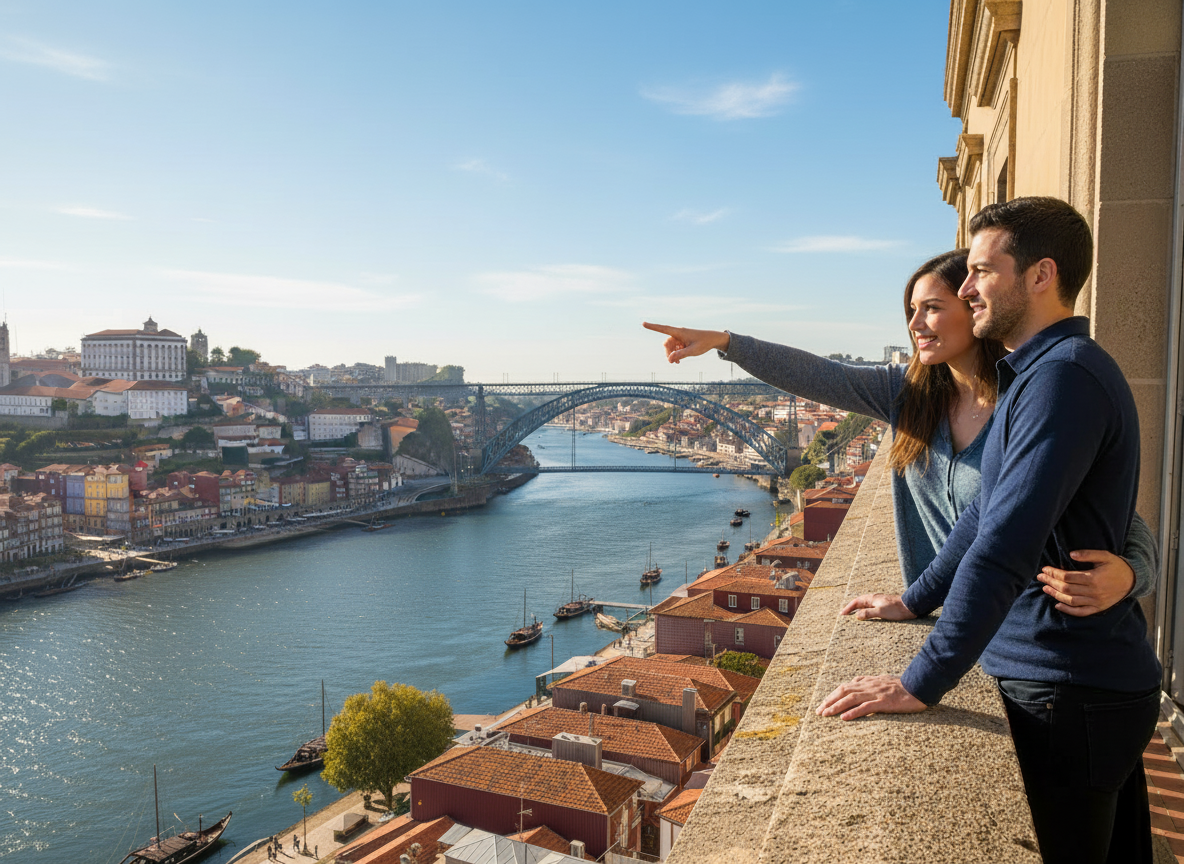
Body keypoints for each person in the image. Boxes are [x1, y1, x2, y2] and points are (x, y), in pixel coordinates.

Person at [812, 197, 1161, 863]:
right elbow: (980, 517)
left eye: (981, 271)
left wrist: (920, 681)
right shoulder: (1036, 373)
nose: (967, 287)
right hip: (1067, 682)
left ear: (1040, 275)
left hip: (1069, 688)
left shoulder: (1064, 379)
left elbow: (1005, 544)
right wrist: (914, 599)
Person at [642, 248, 1156, 612]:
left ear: (975, 309)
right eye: (912, 311)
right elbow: (816, 374)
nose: (915, 324)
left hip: (1035, 634)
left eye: (932, 308)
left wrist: (1134, 574)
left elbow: (1109, 509)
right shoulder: (907, 395)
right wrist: (726, 342)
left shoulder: (1031, 398)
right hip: (956, 626)